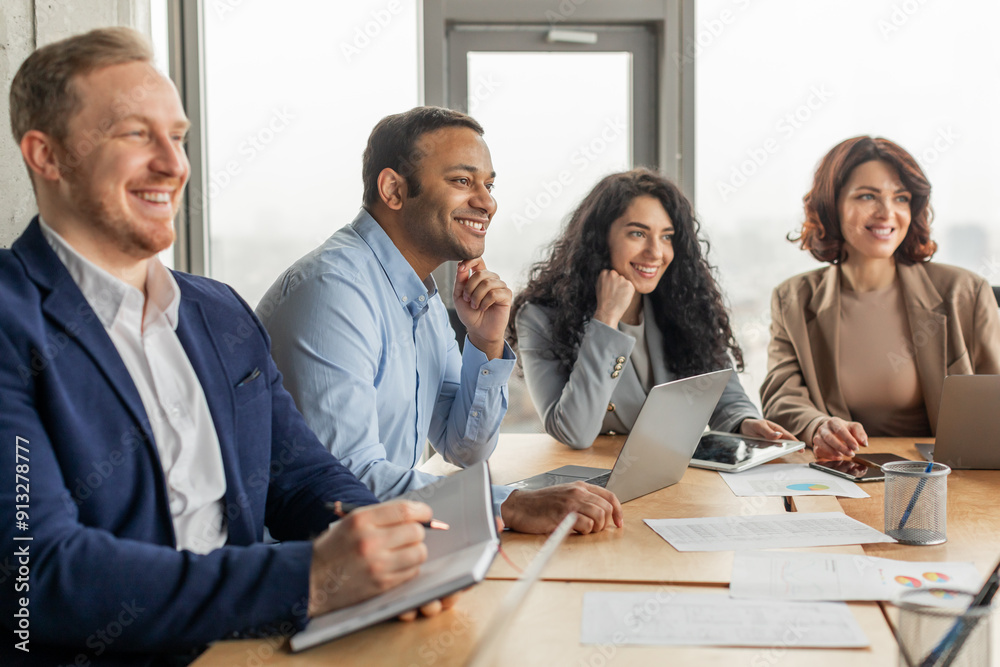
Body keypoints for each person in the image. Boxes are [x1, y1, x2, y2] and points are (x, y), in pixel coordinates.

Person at [0, 28, 448, 667]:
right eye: (135, 135)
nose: (173, 164)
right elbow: (34, 575)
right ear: (47, 156)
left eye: (177, 138)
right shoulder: (10, 318)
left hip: (251, 644)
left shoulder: (217, 310)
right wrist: (310, 579)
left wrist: (392, 545)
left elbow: (298, 476)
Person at [257, 106, 622, 535]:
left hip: (385, 543)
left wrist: (484, 343)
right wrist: (511, 505)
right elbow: (346, 483)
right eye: (462, 181)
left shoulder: (420, 297)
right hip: (314, 566)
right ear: (393, 189)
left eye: (488, 184)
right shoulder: (334, 291)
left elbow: (466, 449)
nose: (487, 202)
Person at [508, 168, 793, 450]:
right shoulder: (539, 317)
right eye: (637, 234)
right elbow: (574, 431)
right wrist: (605, 319)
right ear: (599, 239)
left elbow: (719, 385)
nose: (656, 252)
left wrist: (744, 422)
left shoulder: (682, 304)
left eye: (667, 236)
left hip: (672, 476)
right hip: (594, 483)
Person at [761, 136, 1000, 460]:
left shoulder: (965, 292)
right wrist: (818, 425)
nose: (887, 212)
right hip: (842, 473)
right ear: (832, 206)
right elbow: (780, 396)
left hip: (947, 482)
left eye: (900, 198)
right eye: (867, 196)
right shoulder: (793, 299)